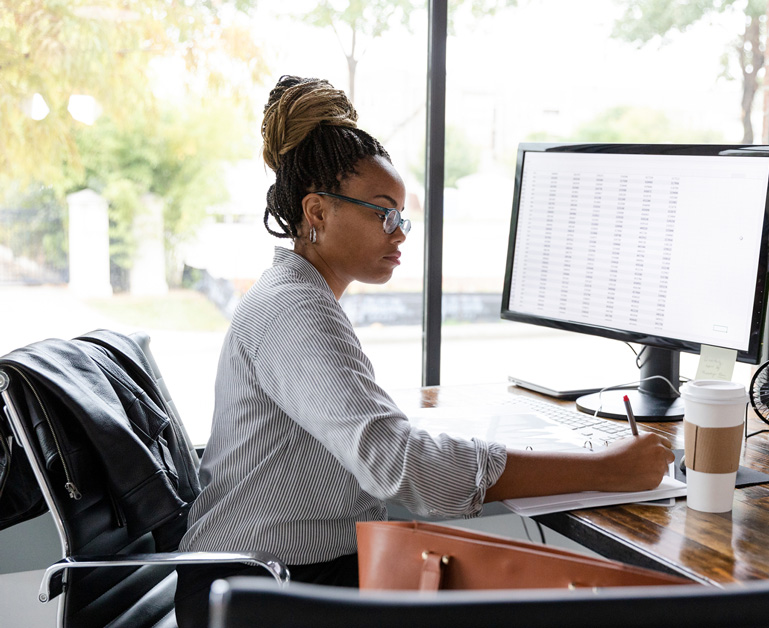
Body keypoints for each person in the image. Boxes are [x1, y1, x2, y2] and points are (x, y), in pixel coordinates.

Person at [174, 75, 674, 627]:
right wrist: (604, 470)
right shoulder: (292, 308)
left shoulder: (301, 296)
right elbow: (400, 466)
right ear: (316, 213)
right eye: (383, 213)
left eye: (402, 217)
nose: (400, 232)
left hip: (299, 570)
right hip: (260, 590)